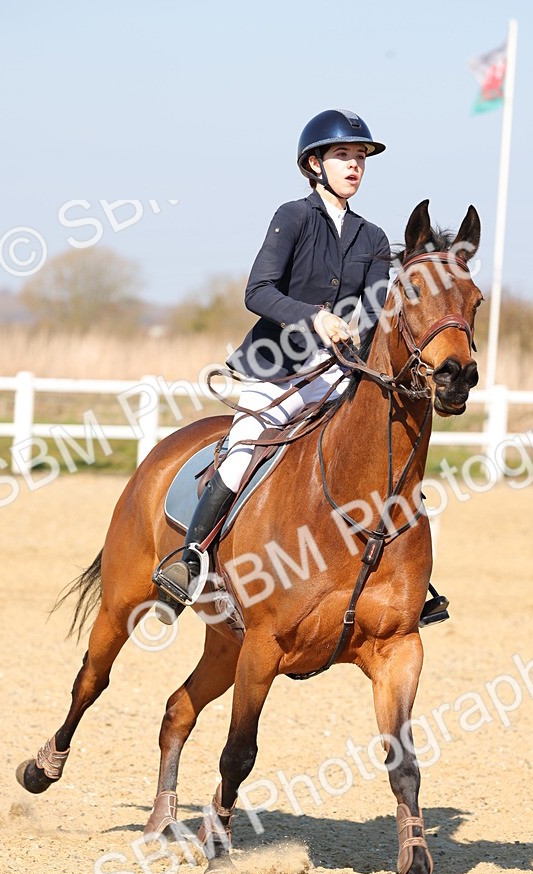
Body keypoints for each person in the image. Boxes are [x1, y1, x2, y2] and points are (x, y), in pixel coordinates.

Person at [154, 108, 391, 623]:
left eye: (361, 158)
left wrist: (362, 362)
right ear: (314, 164)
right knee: (241, 451)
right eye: (343, 156)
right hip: (274, 369)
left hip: (338, 377)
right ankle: (190, 559)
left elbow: (372, 313)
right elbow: (257, 292)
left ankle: (409, 576)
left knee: (379, 457)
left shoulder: (373, 238)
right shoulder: (294, 216)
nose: (355, 166)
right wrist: (316, 318)